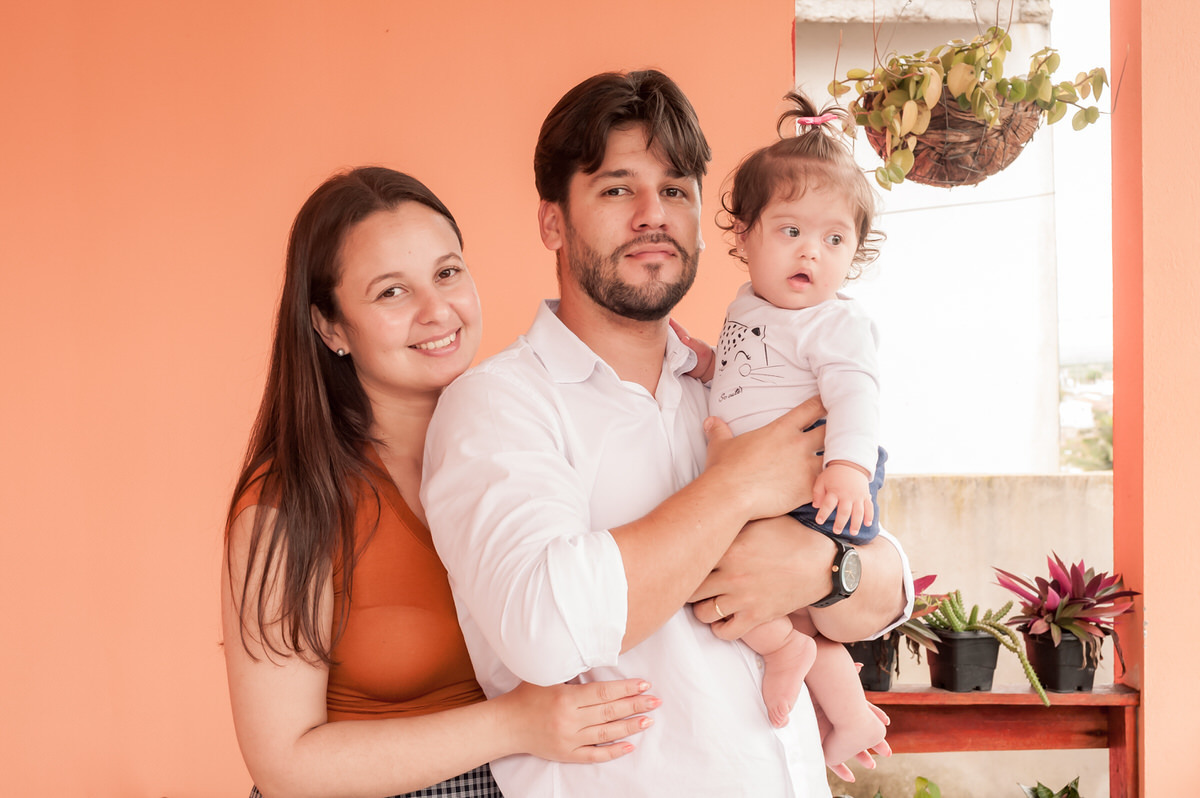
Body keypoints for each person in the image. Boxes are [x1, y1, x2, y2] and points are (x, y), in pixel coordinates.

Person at [422, 70, 912, 797]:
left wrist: (823, 568)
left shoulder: (733, 383)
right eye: (617, 189)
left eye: (676, 191)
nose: (653, 215)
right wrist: (735, 488)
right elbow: (544, 632)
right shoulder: (498, 407)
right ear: (553, 222)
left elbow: (890, 589)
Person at [220, 166, 661, 798]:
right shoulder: (290, 504)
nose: (436, 311)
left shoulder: (536, 439)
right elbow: (284, 766)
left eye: (448, 273)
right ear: (330, 326)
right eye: (391, 292)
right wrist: (514, 724)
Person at [687, 89, 890, 773]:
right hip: (772, 479)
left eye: (835, 239)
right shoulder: (750, 305)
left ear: (856, 251)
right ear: (743, 236)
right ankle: (848, 712)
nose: (813, 253)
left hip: (819, 478)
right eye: (791, 231)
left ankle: (782, 650)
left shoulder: (835, 321)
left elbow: (857, 394)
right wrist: (704, 362)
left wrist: (849, 467)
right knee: (783, 595)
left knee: (720, 561)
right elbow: (747, 373)